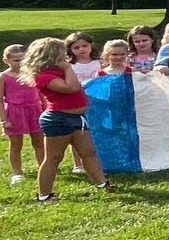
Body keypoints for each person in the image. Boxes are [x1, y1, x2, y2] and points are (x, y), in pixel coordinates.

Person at [22, 37, 108, 202]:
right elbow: (70, 88)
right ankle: (44, 195)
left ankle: (102, 184)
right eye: (62, 52)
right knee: (54, 157)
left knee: (88, 153)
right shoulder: (44, 75)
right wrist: (68, 67)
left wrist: (67, 69)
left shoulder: (61, 71)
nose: (66, 55)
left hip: (77, 117)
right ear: (53, 54)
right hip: (59, 119)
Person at [0, 43, 44, 186]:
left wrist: (45, 110)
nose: (20, 62)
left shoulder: (33, 73)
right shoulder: (3, 77)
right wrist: (4, 118)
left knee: (39, 142)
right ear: (6, 61)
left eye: (23, 59)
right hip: (15, 112)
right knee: (16, 145)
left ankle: (43, 168)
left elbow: (40, 94)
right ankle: (17, 172)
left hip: (35, 111)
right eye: (16, 60)